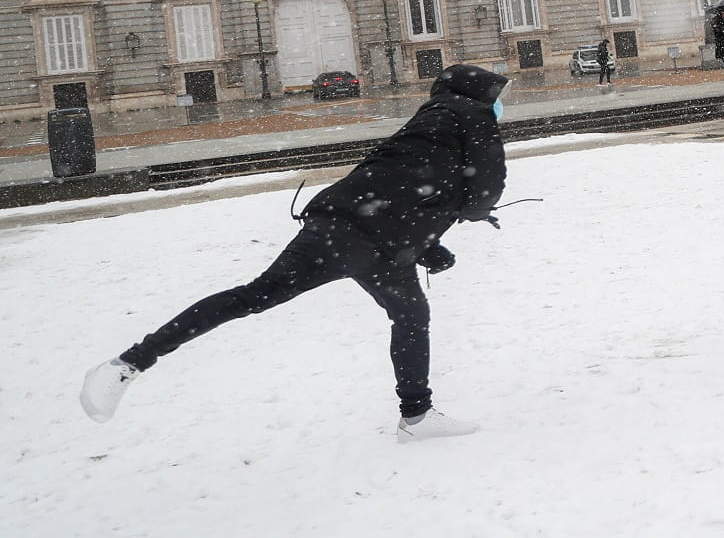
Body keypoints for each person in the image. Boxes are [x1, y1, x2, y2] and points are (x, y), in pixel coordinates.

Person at [80, 64, 512, 440]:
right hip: (359, 235)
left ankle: (417, 415)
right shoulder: (471, 116)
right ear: (479, 94)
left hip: (366, 235)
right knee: (260, 297)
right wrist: (476, 211)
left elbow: (407, 186)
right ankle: (127, 363)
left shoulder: (431, 121)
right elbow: (481, 189)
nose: (500, 104)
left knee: (406, 315)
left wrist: (427, 245)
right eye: (497, 96)